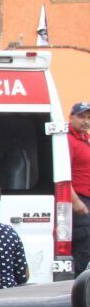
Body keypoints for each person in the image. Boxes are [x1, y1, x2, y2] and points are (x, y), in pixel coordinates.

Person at [67, 102, 90, 275]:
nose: (86, 121)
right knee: (83, 248)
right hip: (80, 202)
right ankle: (79, 292)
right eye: (81, 116)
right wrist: (75, 201)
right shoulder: (68, 140)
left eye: (88, 118)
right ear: (71, 117)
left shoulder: (85, 139)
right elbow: (63, 174)